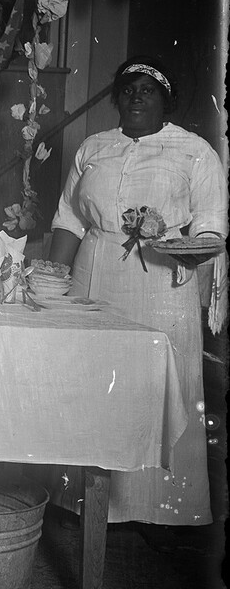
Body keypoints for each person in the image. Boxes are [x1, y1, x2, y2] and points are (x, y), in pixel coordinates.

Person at [47, 55, 227, 528]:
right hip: (93, 271)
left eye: (149, 89)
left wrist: (183, 246)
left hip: (162, 281)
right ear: (116, 98)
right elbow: (68, 217)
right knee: (88, 378)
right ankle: (84, 502)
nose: (137, 96)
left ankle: (161, 508)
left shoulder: (194, 152)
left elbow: (211, 229)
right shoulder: (93, 146)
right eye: (128, 88)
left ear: (166, 99)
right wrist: (48, 278)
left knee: (161, 384)